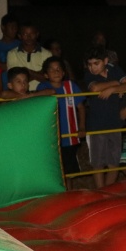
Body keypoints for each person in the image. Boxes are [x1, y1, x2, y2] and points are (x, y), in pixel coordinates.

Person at [84, 45, 126, 188]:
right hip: (96, 125)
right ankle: (101, 192)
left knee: (114, 162)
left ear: (105, 61)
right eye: (89, 64)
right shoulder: (89, 75)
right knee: (98, 163)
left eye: (96, 63)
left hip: (114, 123)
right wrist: (116, 83)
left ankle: (108, 192)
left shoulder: (114, 69)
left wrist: (112, 89)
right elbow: (94, 88)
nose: (92, 67)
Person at [37, 56, 86, 189]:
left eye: (59, 69)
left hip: (69, 136)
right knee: (54, 169)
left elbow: (81, 108)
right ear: (46, 75)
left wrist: (82, 127)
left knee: (69, 172)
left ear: (64, 72)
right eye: (52, 70)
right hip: (51, 137)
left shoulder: (71, 86)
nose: (56, 72)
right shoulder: (42, 87)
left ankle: (68, 193)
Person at [5, 23, 51, 91]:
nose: (29, 37)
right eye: (25, 34)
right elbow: (14, 78)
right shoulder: (12, 53)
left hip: (42, 92)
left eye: (32, 34)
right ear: (20, 36)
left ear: (37, 34)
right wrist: (39, 74)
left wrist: (27, 72)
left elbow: (49, 78)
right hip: (20, 94)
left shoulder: (46, 54)